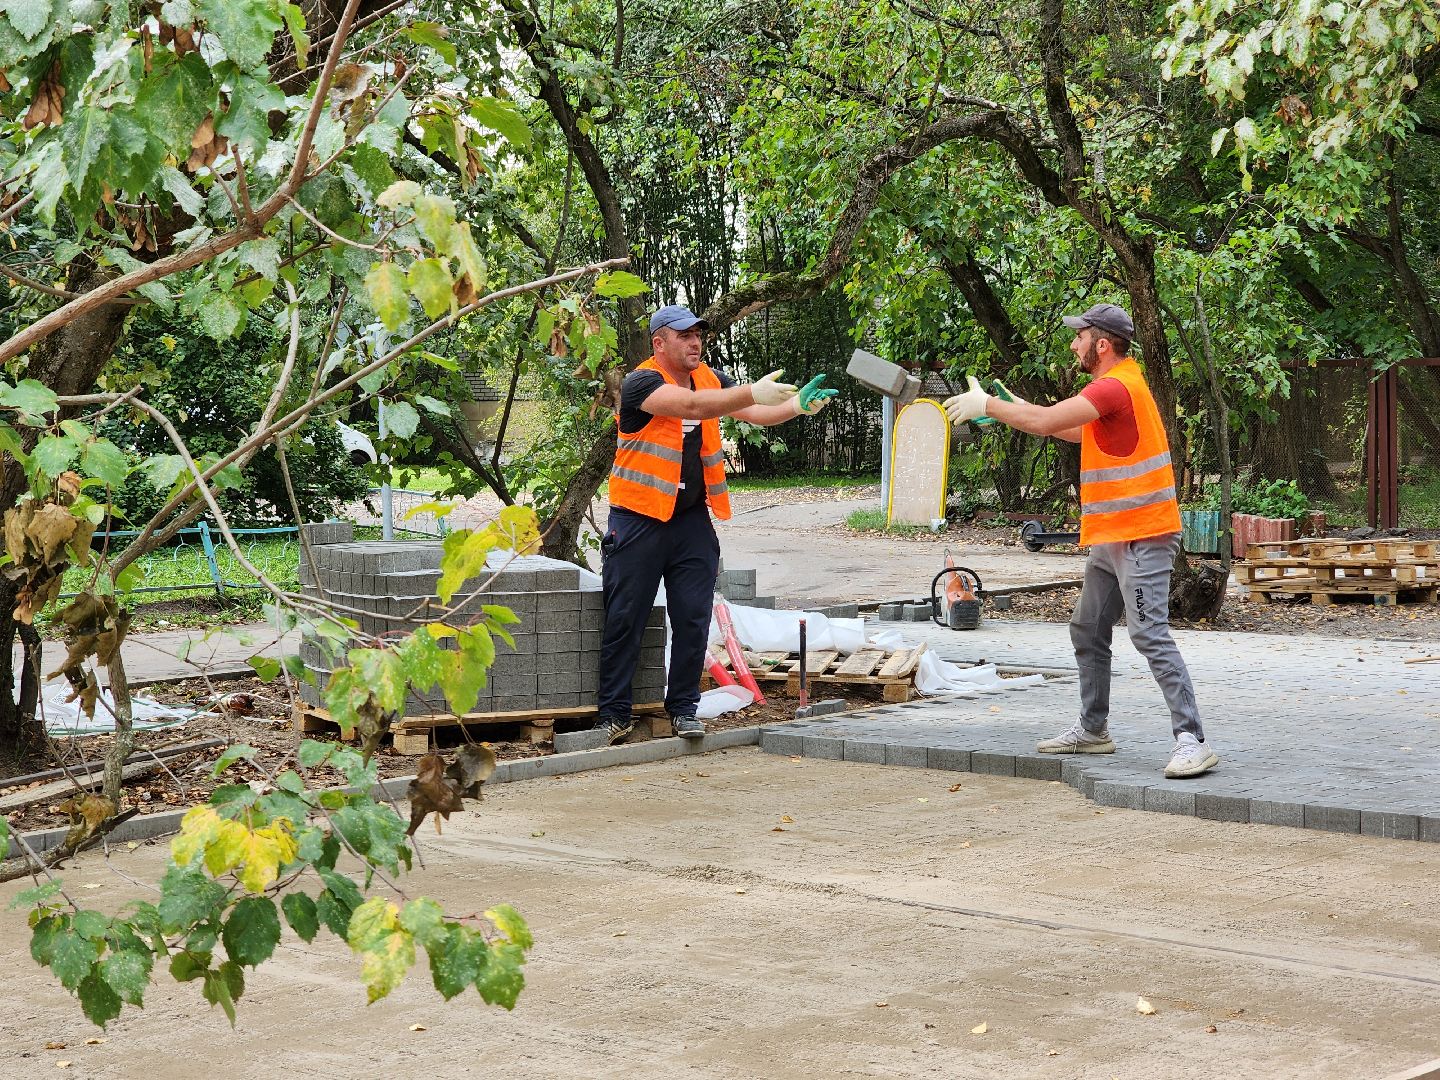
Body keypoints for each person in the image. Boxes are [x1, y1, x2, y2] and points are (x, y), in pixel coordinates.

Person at [942, 303, 1218, 779]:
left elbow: (1050, 422)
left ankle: (1192, 740)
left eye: (1080, 336)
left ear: (1102, 344)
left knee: (1148, 633)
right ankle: (1094, 731)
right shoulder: (1119, 385)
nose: (1074, 344)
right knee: (1088, 628)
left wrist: (988, 405)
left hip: (1142, 535)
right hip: (1116, 537)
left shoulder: (1114, 385)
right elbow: (1072, 429)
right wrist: (1013, 412)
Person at [592, 304, 837, 744]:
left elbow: (757, 413)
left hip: (689, 522)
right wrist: (749, 393)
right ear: (659, 342)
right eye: (684, 335)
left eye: (699, 334)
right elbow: (688, 405)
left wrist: (797, 407)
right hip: (637, 520)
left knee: (693, 618)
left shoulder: (711, 378)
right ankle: (614, 714)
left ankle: (683, 709)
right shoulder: (641, 382)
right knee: (625, 618)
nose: (695, 342)